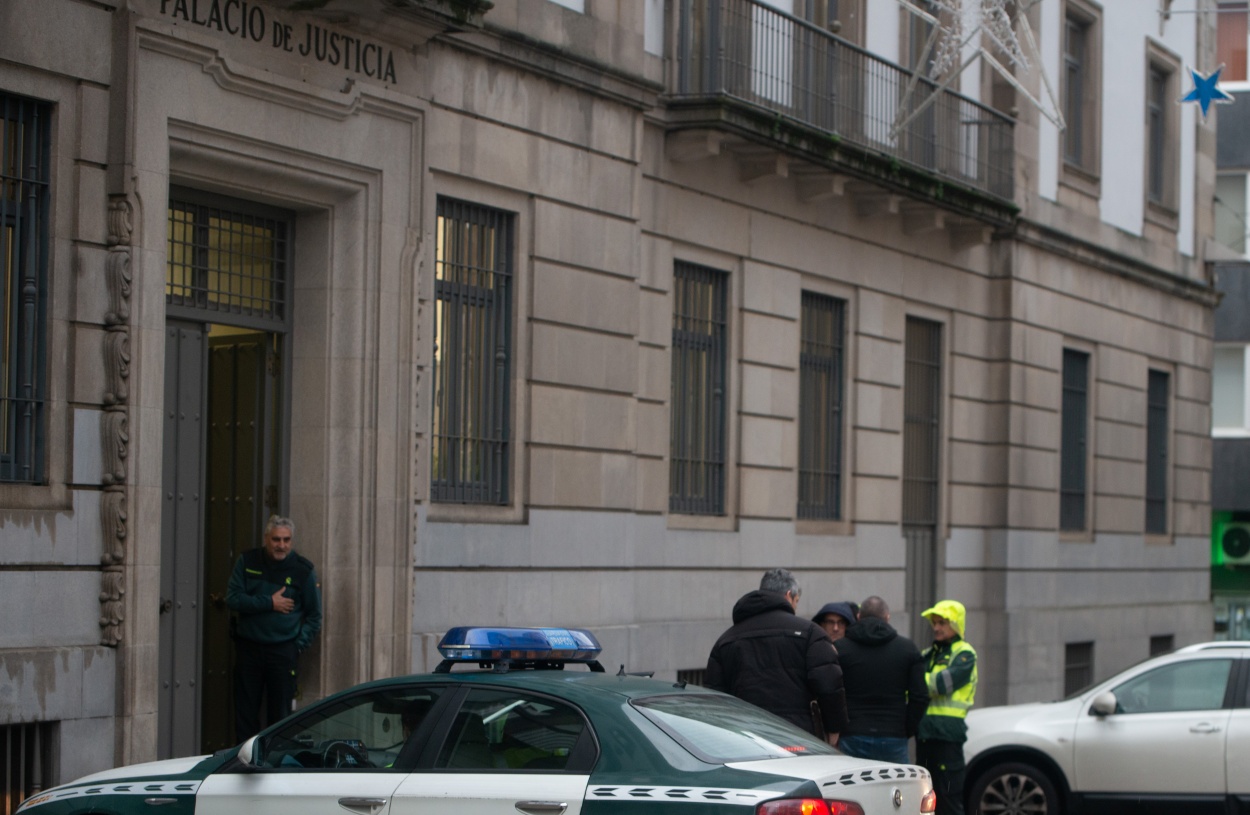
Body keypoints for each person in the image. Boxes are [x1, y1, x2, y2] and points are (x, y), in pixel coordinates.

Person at [705, 568, 848, 744]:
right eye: (796, 601)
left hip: (747, 740)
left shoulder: (726, 640)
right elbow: (829, 685)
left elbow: (715, 697)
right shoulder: (810, 633)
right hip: (800, 739)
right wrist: (834, 728)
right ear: (789, 595)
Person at [227, 515, 323, 742]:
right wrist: (269, 602)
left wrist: (296, 646)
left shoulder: (303, 570)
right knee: (245, 712)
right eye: (276, 539)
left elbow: (314, 616)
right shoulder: (247, 561)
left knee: (280, 715)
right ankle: (242, 761)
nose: (281, 545)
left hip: (282, 652)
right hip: (249, 648)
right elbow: (233, 599)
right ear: (266, 539)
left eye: (286, 540)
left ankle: (274, 763)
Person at [833, 595, 929, 763]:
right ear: (887, 618)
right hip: (893, 734)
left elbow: (831, 691)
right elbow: (920, 696)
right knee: (894, 788)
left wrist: (839, 728)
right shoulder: (907, 649)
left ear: (858, 617)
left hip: (852, 733)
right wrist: (906, 729)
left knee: (854, 789)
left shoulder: (841, 649)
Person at [916, 599, 977, 815]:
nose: (937, 627)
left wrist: (917, 681)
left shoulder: (965, 653)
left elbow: (943, 684)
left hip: (948, 736)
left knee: (949, 798)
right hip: (925, 734)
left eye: (942, 622)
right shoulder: (928, 654)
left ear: (956, 624)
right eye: (935, 623)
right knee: (924, 799)